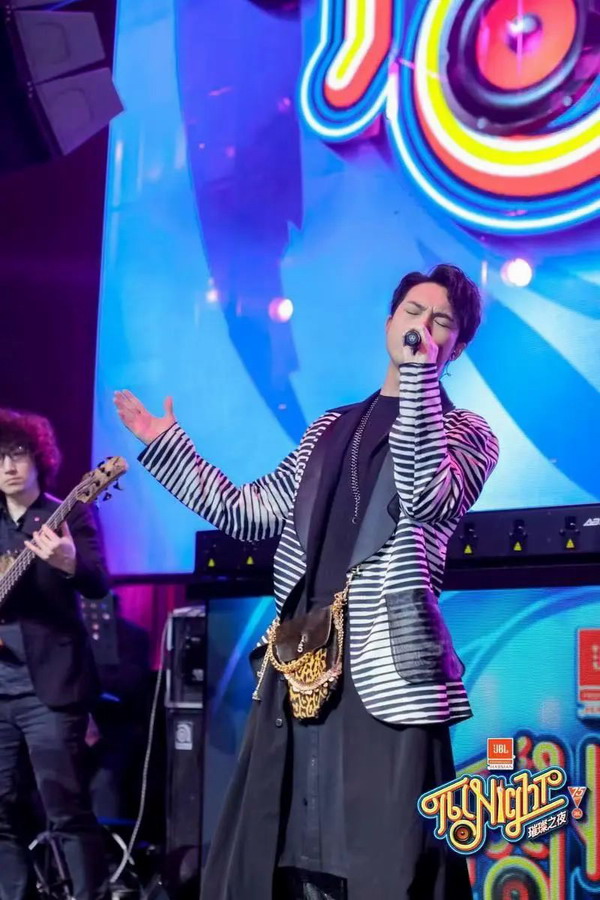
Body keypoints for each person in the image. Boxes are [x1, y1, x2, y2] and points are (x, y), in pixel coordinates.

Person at [115, 264, 499, 900]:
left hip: (389, 660)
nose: (422, 328)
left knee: (387, 853)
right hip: (305, 656)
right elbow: (249, 512)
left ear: (455, 348)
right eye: (412, 312)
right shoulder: (330, 427)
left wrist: (418, 379)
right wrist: (168, 446)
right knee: (292, 848)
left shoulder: (468, 434)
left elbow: (424, 494)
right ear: (389, 322)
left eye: (441, 323)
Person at [0, 409, 110, 900]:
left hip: (50, 689)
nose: (8, 466)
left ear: (39, 459)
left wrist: (70, 563)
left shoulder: (69, 513)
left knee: (65, 808)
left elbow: (98, 582)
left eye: (18, 454)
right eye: (0, 457)